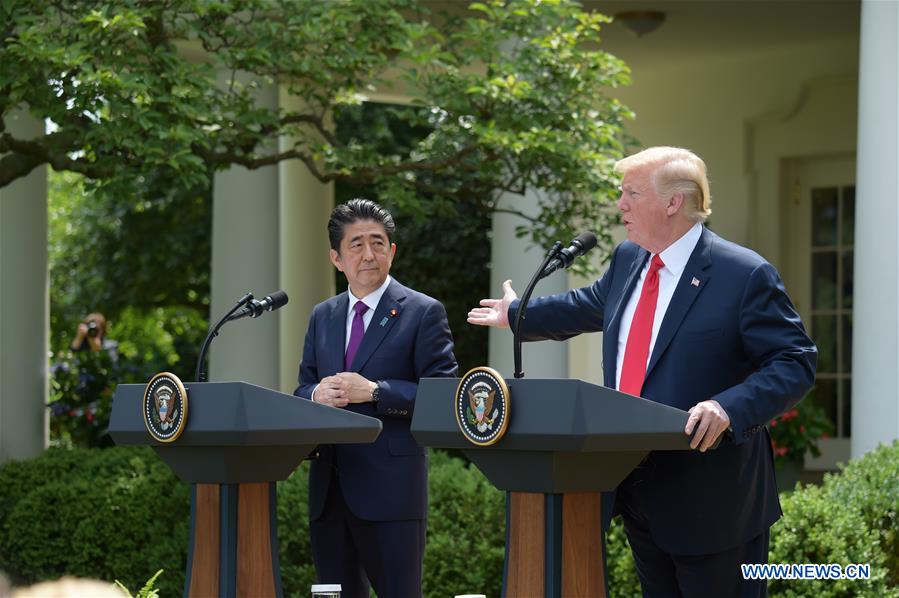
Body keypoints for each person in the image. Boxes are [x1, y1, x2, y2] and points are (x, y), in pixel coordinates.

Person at [467, 147, 817, 597]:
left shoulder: (743, 273)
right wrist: (517, 313)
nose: (620, 205)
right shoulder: (629, 259)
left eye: (631, 193)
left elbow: (795, 361)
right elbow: (585, 305)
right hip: (636, 491)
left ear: (674, 202)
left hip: (714, 502)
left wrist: (727, 408)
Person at [295, 198, 458, 598]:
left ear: (392, 251)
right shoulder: (323, 315)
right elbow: (302, 388)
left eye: (378, 243)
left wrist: (375, 391)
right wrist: (316, 394)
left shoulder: (422, 312)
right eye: (356, 245)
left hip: (392, 494)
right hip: (329, 491)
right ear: (336, 258)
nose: (369, 254)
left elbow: (445, 396)